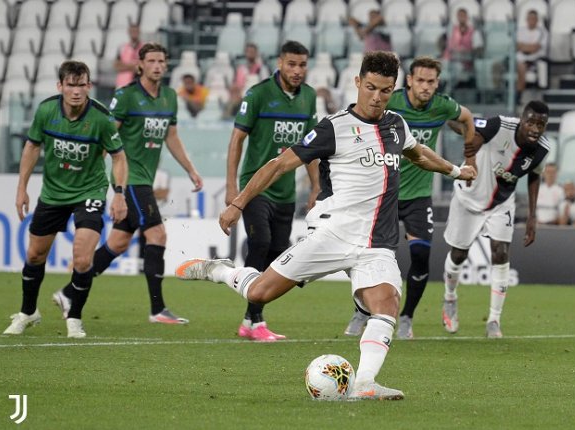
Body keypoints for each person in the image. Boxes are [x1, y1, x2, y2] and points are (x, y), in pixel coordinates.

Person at [175, 51, 476, 400]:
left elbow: (418, 153)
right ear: (357, 83)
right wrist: (237, 204)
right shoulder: (334, 128)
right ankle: (220, 271)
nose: (377, 97)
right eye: (371, 88)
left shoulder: (396, 124)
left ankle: (364, 384)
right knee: (259, 293)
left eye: (385, 90)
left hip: (376, 243)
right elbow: (278, 165)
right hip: (332, 234)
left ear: (394, 89)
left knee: (388, 303)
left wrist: (455, 170)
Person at [53, 43, 203, 325]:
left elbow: (171, 137)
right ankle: (157, 309)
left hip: (144, 178)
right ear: (140, 65)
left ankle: (69, 292)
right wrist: (95, 176)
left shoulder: (169, 97)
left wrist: (191, 169)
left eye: (162, 60)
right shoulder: (125, 97)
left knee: (118, 243)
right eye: (152, 61)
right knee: (157, 235)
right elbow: (106, 135)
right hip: (129, 178)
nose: (157, 65)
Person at [343, 56, 476, 340]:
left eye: (431, 82)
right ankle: (362, 310)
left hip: (419, 195)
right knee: (368, 257)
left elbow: (466, 117)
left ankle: (406, 317)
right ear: (409, 82)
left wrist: (470, 156)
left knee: (420, 256)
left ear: (437, 83)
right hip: (384, 193)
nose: (426, 86)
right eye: (420, 81)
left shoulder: (442, 106)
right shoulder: (390, 101)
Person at [3, 60, 128, 338]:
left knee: (83, 260)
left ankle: (74, 317)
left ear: (89, 86)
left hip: (90, 192)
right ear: (60, 86)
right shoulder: (47, 111)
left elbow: (119, 157)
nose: (76, 91)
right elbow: (32, 147)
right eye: (70, 85)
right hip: (53, 193)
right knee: (35, 255)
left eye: (81, 85)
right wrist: (21, 187)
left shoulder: (101, 118)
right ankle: (27, 312)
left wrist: (118, 193)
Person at [224, 40, 319, 342]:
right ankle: (256, 321)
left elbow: (311, 148)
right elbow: (236, 140)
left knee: (278, 254)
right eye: (291, 64)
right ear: (280, 63)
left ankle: (247, 321)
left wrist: (316, 187)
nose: (297, 70)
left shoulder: (309, 97)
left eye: (302, 65)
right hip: (256, 186)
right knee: (260, 242)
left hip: (286, 192)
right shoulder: (258, 94)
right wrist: (232, 186)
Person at [442, 100, 551, 338]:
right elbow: (463, 125)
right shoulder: (500, 125)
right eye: (531, 122)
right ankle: (450, 298)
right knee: (458, 255)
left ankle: (494, 320)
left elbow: (534, 176)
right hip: (468, 197)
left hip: (501, 203)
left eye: (540, 124)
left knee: (501, 253)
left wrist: (532, 217)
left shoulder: (542, 149)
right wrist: (470, 146)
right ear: (522, 119)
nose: (535, 128)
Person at [225, 43, 269, 119]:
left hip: (256, 96)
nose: (250, 54)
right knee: (231, 102)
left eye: (252, 52)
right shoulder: (241, 69)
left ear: (256, 53)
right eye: (248, 52)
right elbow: (237, 85)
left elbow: (266, 86)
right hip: (242, 96)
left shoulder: (262, 69)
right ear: (245, 53)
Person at [442, 8, 482, 87]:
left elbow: (478, 48)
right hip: (450, 59)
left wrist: (468, 52)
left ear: (467, 17)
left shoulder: (473, 31)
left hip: (465, 62)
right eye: (460, 16)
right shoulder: (452, 30)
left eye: (463, 16)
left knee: (457, 69)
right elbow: (447, 44)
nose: (461, 18)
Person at [516, 10, 548, 97]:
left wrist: (523, 46)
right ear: (526, 19)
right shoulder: (520, 31)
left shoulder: (542, 32)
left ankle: (518, 95)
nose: (531, 20)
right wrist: (528, 46)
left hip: (533, 60)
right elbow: (516, 46)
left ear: (537, 20)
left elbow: (535, 48)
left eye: (534, 19)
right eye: (529, 18)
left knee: (521, 67)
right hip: (518, 58)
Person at [114, 23, 144, 89]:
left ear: (139, 32)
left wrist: (125, 65)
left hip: (139, 85)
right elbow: (116, 66)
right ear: (129, 32)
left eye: (136, 31)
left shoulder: (144, 48)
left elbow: (143, 67)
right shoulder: (122, 47)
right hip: (123, 83)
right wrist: (133, 66)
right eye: (132, 31)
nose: (134, 33)